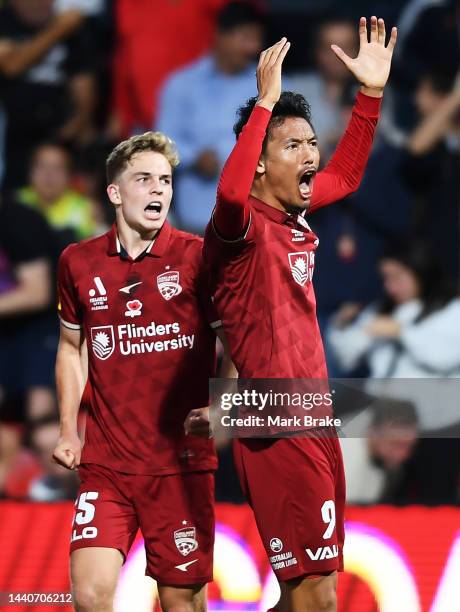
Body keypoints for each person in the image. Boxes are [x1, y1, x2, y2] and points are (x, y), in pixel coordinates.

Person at [203, 17, 397, 611]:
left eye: (312, 141)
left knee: (310, 593)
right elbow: (231, 193)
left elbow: (347, 174)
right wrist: (263, 103)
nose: (312, 155)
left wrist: (369, 96)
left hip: (313, 412)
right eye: (294, 146)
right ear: (258, 162)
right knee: (318, 597)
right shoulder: (238, 230)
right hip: (276, 420)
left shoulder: (296, 215)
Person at [53, 131, 230, 611]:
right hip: (106, 464)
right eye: (144, 179)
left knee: (181, 603)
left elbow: (235, 343)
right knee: (89, 595)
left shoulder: (197, 257)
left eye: (166, 181)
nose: (158, 190)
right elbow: (73, 348)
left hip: (180, 465)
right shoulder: (78, 262)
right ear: (114, 192)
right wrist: (69, 429)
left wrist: (222, 406)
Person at [156, 0, 266, 234]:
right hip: (195, 221)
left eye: (256, 40)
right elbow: (162, 140)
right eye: (245, 38)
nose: (252, 47)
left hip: (252, 224)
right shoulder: (181, 84)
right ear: (220, 36)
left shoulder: (267, 86)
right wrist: (195, 157)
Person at [0, 0, 97, 188]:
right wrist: (58, 30)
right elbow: (12, 65)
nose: (39, 4)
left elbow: (83, 80)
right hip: (14, 138)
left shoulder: (72, 29)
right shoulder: (5, 21)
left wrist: (79, 122)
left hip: (58, 136)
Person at [0, 198, 56, 495]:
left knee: (42, 423)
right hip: (8, 332)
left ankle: (65, 489)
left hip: (43, 328)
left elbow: (38, 293)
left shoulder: (17, 221)